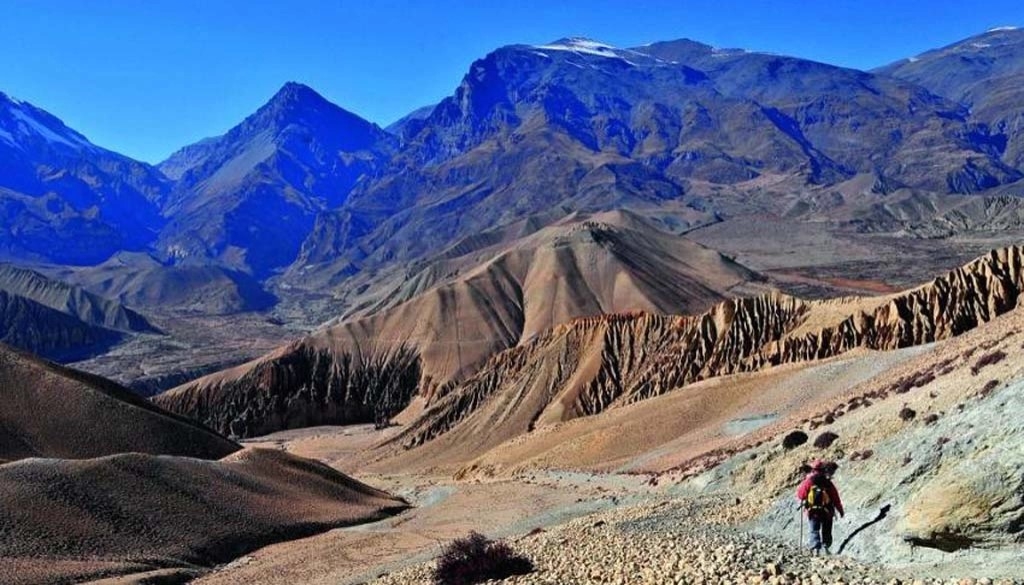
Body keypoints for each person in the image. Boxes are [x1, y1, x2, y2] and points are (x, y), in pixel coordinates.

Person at [796, 459, 844, 554]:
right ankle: (825, 546)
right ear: (823, 469)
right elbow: (835, 498)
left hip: (812, 511)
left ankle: (815, 549)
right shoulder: (828, 483)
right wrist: (840, 510)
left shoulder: (808, 481)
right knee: (826, 530)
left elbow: (801, 495)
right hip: (827, 511)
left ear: (813, 469)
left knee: (814, 530)